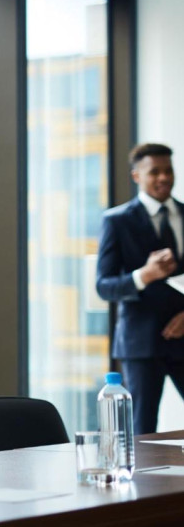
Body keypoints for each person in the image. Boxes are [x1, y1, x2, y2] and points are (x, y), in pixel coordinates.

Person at [96, 143, 184, 435]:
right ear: (137, 176)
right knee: (142, 431)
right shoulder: (117, 221)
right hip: (140, 343)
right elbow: (104, 286)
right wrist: (143, 276)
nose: (164, 178)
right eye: (154, 172)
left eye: (168, 170)